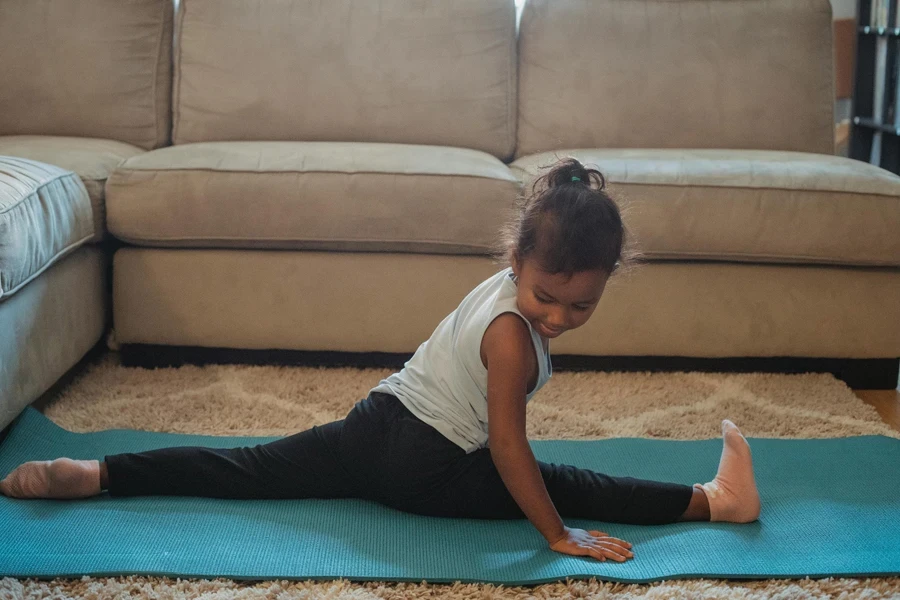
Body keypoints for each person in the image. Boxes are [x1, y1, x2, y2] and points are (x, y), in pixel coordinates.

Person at [0, 158, 760, 564]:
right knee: (568, 483)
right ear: (519, 261)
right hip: (424, 470)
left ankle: (99, 475)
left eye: (581, 306)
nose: (558, 318)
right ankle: (714, 502)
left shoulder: (501, 288)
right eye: (547, 298)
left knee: (248, 468)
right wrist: (555, 534)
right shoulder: (510, 342)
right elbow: (506, 447)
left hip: (372, 424)